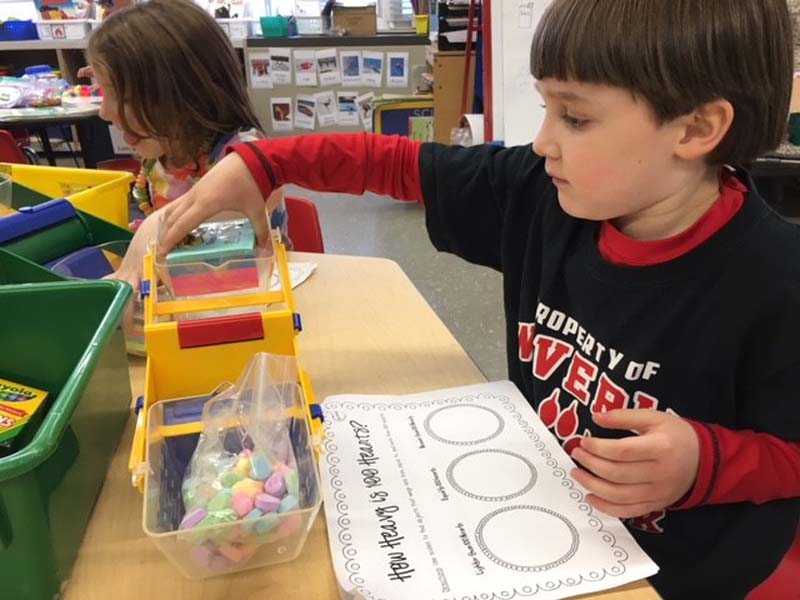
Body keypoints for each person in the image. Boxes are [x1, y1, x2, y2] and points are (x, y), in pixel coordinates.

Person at [156, 1, 800, 597]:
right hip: (541, 526)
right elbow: (396, 164)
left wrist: (704, 464)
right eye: (546, 108)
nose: (543, 141)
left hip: (672, 574)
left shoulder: (776, 278)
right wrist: (265, 164)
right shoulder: (540, 194)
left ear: (697, 128)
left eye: (575, 118)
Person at [86, 0, 286, 294]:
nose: (104, 112)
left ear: (188, 93)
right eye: (103, 92)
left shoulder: (243, 153)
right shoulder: (163, 154)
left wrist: (146, 241)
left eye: (121, 96)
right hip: (186, 296)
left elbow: (245, 192)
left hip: (254, 296)